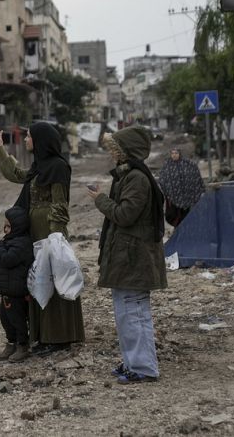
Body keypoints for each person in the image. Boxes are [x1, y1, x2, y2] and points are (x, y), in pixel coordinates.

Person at [0, 123, 85, 355]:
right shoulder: (39, 166)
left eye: (29, 136)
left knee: (54, 278)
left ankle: (59, 337)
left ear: (40, 140)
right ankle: (42, 336)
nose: (26, 140)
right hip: (35, 230)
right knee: (37, 281)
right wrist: (1, 150)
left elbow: (60, 204)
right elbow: (18, 175)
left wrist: (54, 236)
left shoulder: (59, 167)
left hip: (49, 232)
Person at [88, 127, 168, 385]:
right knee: (127, 313)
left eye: (115, 150)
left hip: (135, 258)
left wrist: (100, 200)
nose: (112, 155)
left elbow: (124, 215)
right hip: (128, 257)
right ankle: (134, 362)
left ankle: (144, 367)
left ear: (127, 152)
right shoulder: (129, 176)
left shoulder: (137, 178)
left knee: (134, 313)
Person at [0, 206, 35, 363]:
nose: (5, 229)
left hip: (16, 291)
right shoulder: (11, 241)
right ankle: (11, 343)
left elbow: (8, 259)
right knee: (6, 319)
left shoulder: (22, 243)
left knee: (18, 320)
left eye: (8, 226)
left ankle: (22, 345)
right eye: (5, 225)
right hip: (7, 290)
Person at [159, 147, 205, 226]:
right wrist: (168, 192)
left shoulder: (188, 164)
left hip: (187, 197)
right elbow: (162, 180)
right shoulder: (167, 167)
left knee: (187, 216)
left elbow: (195, 176)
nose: (174, 155)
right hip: (174, 197)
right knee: (174, 216)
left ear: (180, 154)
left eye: (176, 153)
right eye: (172, 153)